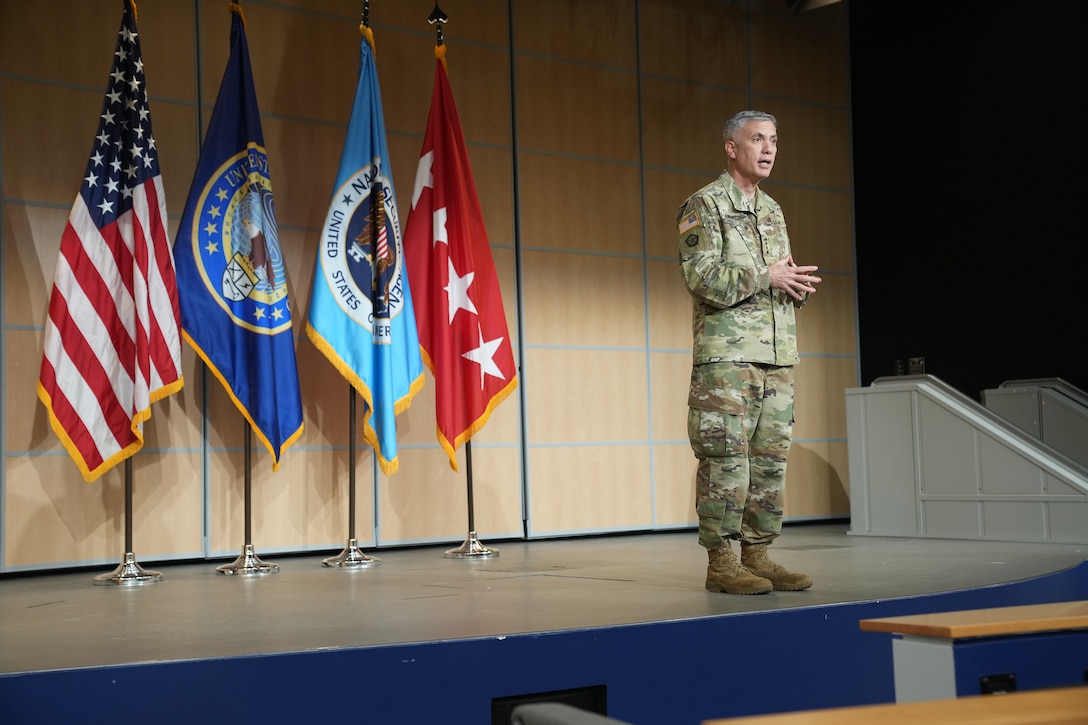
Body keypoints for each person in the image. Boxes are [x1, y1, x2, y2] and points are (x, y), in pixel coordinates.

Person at [676, 110, 821, 595]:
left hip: (777, 356)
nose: (768, 148)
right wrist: (768, 277)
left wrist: (794, 286)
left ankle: (757, 555)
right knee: (726, 462)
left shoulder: (773, 210)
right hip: (727, 360)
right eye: (757, 139)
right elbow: (701, 278)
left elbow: (779, 273)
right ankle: (722, 563)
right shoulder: (704, 205)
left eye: (774, 140)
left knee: (769, 462)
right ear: (731, 148)